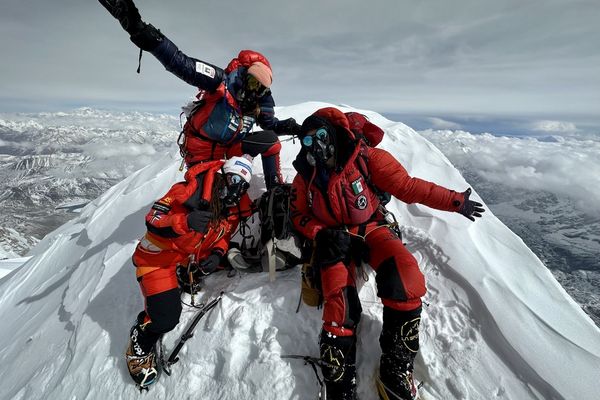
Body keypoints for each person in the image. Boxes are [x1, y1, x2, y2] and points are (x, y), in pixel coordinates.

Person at [289, 108, 485, 400]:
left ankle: (395, 369)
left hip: (373, 228)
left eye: (320, 136)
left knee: (404, 279)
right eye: (308, 141)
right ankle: (339, 386)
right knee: (338, 303)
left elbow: (409, 187)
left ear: (333, 134)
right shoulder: (306, 175)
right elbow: (297, 214)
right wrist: (321, 233)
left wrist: (455, 201)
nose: (315, 145)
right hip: (334, 238)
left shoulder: (367, 159)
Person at [98, 0, 301, 188]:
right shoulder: (220, 81)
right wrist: (142, 31)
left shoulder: (258, 102)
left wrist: (293, 127)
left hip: (229, 149)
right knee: (210, 196)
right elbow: (181, 63)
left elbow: (270, 126)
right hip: (201, 152)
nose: (254, 88)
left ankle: (276, 192)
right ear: (243, 74)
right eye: (252, 80)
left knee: (270, 143)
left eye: (260, 86)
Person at [126, 155, 254, 388]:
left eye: (242, 185)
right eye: (233, 179)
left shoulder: (225, 208)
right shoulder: (187, 192)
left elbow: (222, 236)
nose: (236, 189)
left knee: (225, 263)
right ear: (221, 176)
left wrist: (216, 254)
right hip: (156, 260)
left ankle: (184, 277)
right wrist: (184, 221)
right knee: (166, 318)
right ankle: (140, 342)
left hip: (184, 259)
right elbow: (153, 220)